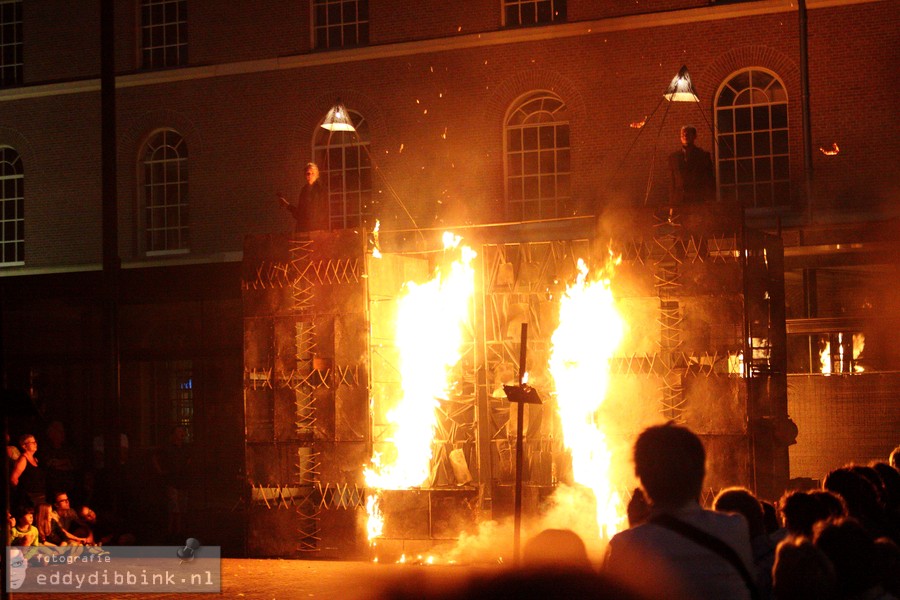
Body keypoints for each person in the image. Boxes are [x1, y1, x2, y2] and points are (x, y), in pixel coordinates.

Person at [603, 422, 756, 600]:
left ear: (641, 478)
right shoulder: (734, 528)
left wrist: (636, 527)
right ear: (701, 474)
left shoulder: (623, 546)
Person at [668, 125, 715, 204]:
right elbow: (672, 182)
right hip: (679, 201)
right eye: (683, 135)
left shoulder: (703, 156)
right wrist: (671, 201)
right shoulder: (673, 158)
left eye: (688, 134)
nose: (685, 136)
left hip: (697, 199)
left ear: (694, 136)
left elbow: (709, 179)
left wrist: (709, 198)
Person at [281, 162, 328, 232]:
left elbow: (324, 210)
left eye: (313, 173)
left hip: (317, 229)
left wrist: (319, 226)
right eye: (308, 173)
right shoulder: (304, 191)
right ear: (305, 175)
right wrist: (287, 205)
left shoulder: (321, 190)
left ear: (317, 175)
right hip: (305, 228)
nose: (310, 176)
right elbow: (300, 213)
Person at [10, 433, 46, 507]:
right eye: (32, 442)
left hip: (39, 496)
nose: (35, 444)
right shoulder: (23, 459)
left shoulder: (35, 459)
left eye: (35, 441)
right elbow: (13, 479)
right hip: (30, 499)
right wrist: (24, 494)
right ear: (24, 446)